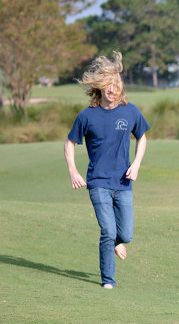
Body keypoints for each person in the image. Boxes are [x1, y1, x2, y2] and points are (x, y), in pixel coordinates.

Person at [64, 52, 150, 289]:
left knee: (126, 235)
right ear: (99, 88)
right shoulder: (87, 116)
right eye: (108, 85)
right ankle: (108, 280)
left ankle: (116, 242)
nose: (113, 89)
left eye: (116, 84)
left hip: (123, 183)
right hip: (98, 183)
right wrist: (73, 170)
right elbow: (70, 142)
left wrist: (136, 163)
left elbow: (142, 137)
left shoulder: (130, 111)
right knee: (108, 231)